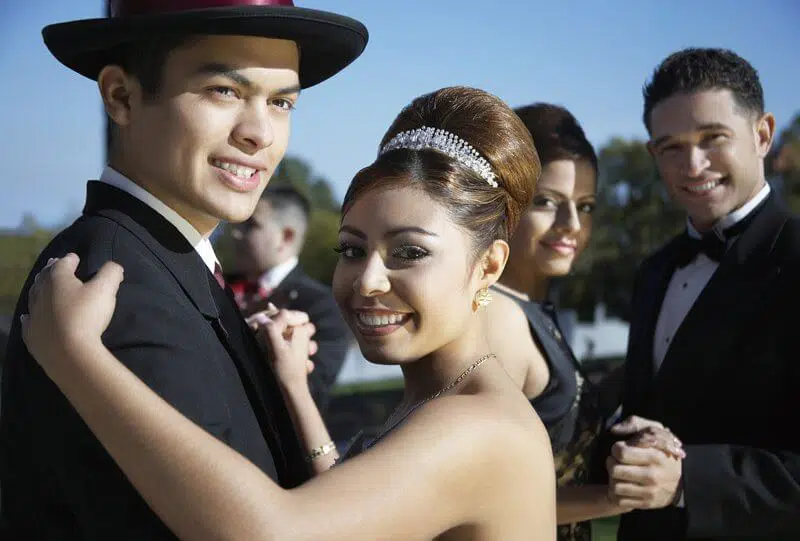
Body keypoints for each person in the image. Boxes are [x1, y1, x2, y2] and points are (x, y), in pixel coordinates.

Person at [22, 86, 558, 541]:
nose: (367, 280)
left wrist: (75, 358)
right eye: (351, 250)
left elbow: (277, 533)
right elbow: (353, 508)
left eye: (409, 252)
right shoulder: (438, 398)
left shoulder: (478, 426)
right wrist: (294, 389)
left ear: (488, 266)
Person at [0, 1, 367, 538]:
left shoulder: (166, 263)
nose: (260, 133)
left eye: (282, 102)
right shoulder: (114, 284)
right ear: (121, 97)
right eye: (225, 91)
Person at [607, 48, 800, 540]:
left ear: (762, 135)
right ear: (652, 154)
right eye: (671, 146)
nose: (692, 165)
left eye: (713, 138)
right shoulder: (652, 272)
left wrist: (687, 481)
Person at [484, 103, 683, 541]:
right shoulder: (495, 317)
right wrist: (621, 496)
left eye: (586, 206)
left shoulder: (527, 308)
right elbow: (486, 498)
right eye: (547, 202)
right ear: (502, 200)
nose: (570, 225)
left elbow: (551, 431)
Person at [228, 185, 352, 412]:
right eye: (237, 224)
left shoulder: (322, 306)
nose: (235, 233)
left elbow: (311, 391)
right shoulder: (215, 284)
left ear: (285, 237)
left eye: (250, 225)